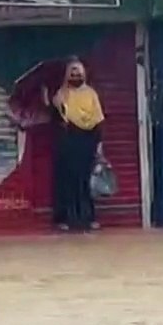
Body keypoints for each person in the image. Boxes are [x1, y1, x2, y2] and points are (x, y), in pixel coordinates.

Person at [45, 58, 105, 231]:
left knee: (85, 181)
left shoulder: (91, 94)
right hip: (67, 142)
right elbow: (56, 119)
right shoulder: (61, 94)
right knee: (66, 182)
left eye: (78, 71)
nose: (75, 75)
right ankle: (64, 219)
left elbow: (98, 121)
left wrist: (99, 146)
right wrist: (54, 104)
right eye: (72, 72)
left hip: (87, 142)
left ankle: (87, 218)